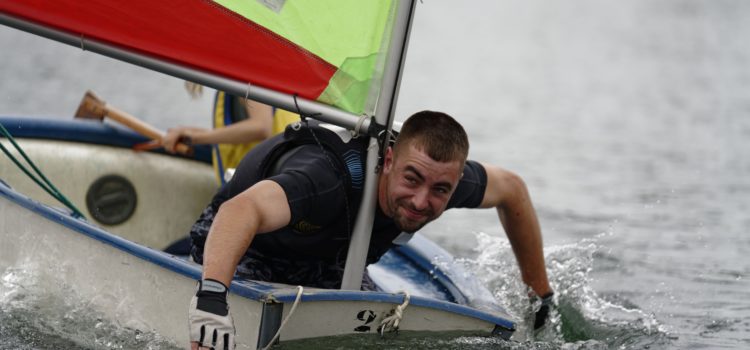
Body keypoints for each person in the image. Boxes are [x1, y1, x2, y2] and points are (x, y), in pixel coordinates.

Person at [187, 111, 554, 350]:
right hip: (247, 245)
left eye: (441, 189)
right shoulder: (327, 179)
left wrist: (541, 296)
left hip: (331, 261)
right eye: (412, 179)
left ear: (456, 182)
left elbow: (512, 191)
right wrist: (212, 300)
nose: (421, 201)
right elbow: (239, 211)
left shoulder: (441, 179)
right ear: (389, 160)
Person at [162, 85, 299, 184]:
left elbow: (261, 126)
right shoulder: (234, 75)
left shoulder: (245, 70)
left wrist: (195, 138)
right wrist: (188, 134)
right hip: (269, 179)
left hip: (271, 182)